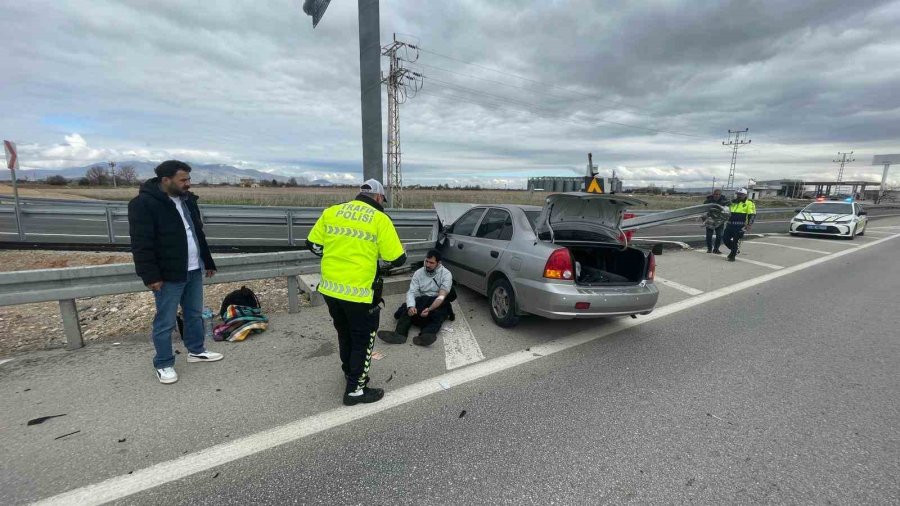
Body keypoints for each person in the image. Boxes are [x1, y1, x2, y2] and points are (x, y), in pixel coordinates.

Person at [306, 179, 406, 406]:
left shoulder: (332, 212)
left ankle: (349, 372)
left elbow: (313, 244)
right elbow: (397, 259)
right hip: (360, 294)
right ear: (379, 197)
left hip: (331, 289)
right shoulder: (380, 219)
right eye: (382, 200)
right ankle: (355, 390)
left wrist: (337, 256)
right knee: (363, 339)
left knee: (345, 333)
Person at [128, 160, 223, 384]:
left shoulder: (188, 200)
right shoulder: (143, 204)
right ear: (166, 180)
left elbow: (197, 234)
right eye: (183, 180)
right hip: (168, 274)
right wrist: (150, 276)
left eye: (188, 179)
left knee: (194, 314)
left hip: (194, 268)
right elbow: (141, 244)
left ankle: (196, 351)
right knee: (166, 321)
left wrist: (207, 261)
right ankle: (163, 363)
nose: (188, 184)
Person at [378, 249, 454, 347]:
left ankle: (426, 335)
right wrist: (411, 306)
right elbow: (412, 291)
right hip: (421, 300)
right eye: (426, 261)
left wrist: (430, 309)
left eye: (431, 263)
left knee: (438, 314)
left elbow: (441, 296)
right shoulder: (419, 272)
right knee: (406, 310)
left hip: (436, 301)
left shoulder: (446, 274)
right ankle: (399, 334)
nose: (427, 265)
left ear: (439, 263)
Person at [723, 188, 756, 262]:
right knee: (725, 239)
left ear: (745, 195)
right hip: (730, 225)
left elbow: (752, 215)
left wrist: (749, 224)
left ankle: (732, 256)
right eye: (738, 194)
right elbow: (725, 210)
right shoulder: (733, 202)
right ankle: (734, 250)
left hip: (740, 226)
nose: (739, 196)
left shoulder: (749, 203)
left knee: (735, 241)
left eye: (741, 194)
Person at [702, 189, 730, 254]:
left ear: (720, 195)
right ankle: (709, 249)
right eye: (716, 194)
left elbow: (728, 209)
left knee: (719, 236)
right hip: (710, 220)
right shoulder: (708, 201)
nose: (717, 196)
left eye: (719, 194)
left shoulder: (724, 200)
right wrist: (704, 219)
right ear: (713, 194)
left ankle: (716, 249)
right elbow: (703, 210)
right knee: (709, 236)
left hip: (720, 221)